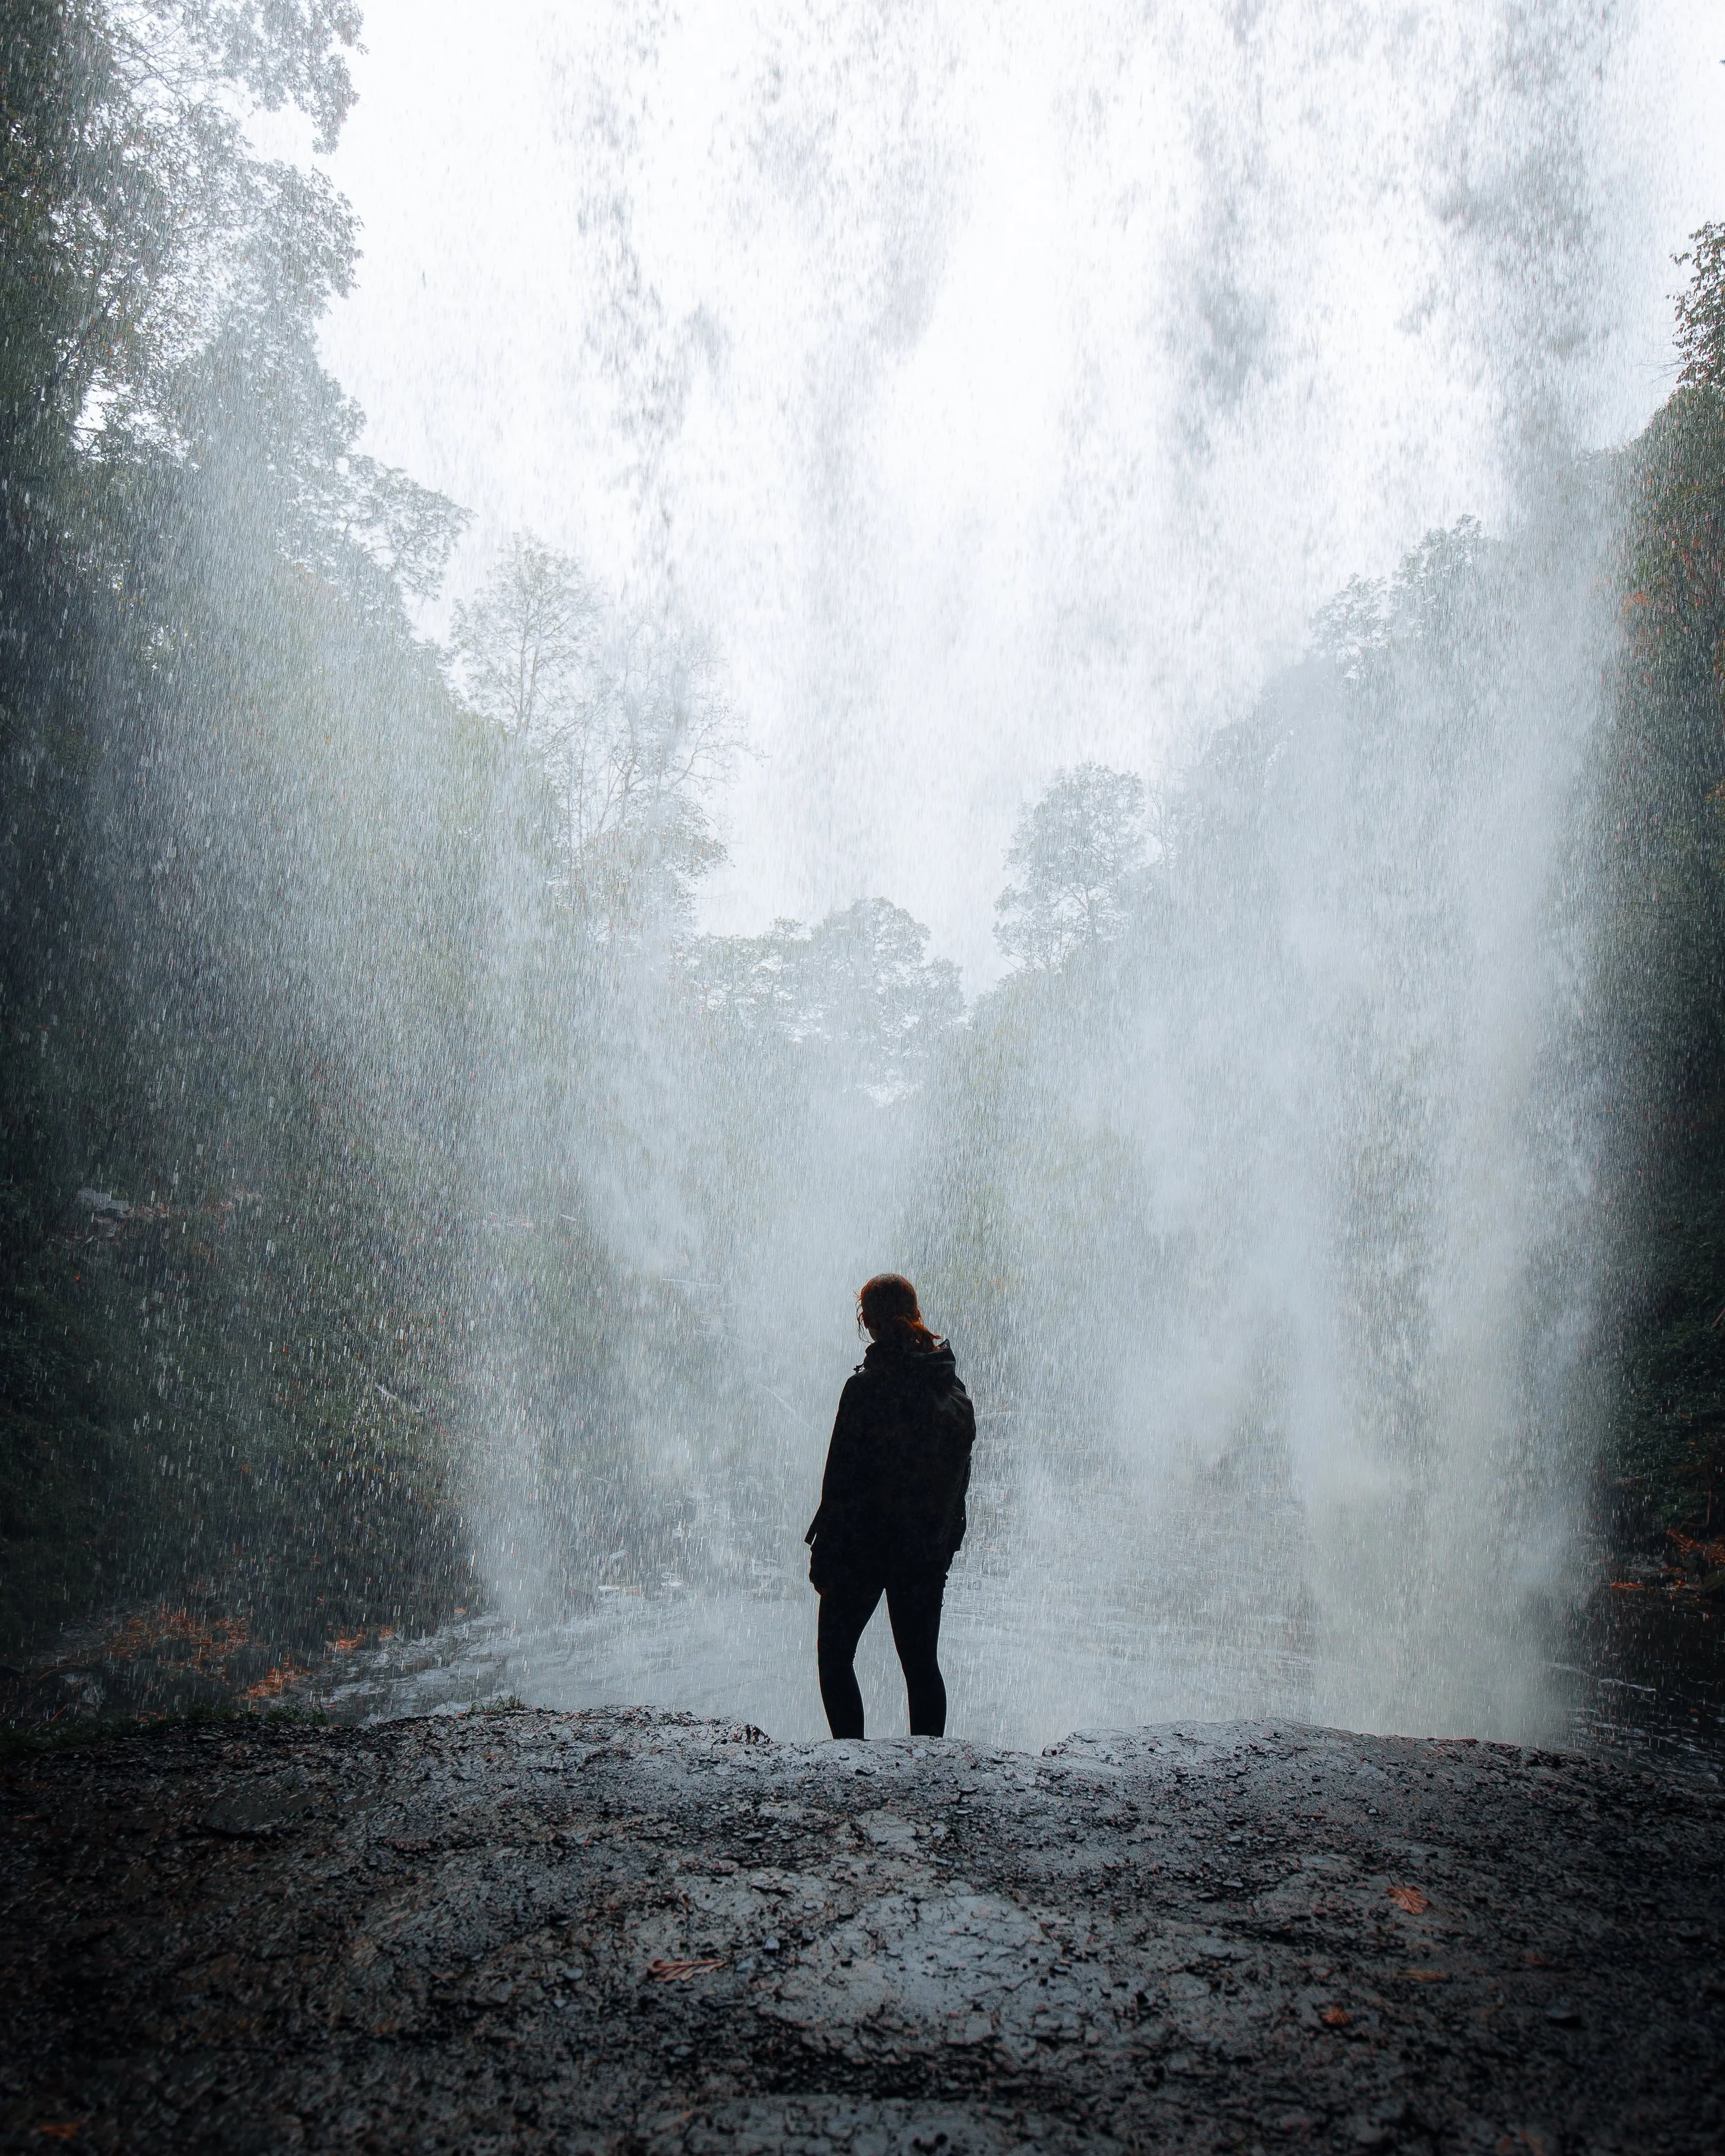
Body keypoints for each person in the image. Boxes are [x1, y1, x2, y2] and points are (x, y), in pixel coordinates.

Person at [805, 1273, 976, 1739]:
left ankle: (850, 1761)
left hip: (863, 1549)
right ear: (915, 1312)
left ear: (869, 1322)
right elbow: (959, 1478)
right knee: (921, 1666)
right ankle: (928, 1767)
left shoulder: (865, 1389)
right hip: (922, 1551)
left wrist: (824, 1554)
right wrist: (945, 1544)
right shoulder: (949, 1385)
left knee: (835, 1657)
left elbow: (838, 1484)